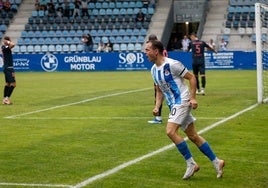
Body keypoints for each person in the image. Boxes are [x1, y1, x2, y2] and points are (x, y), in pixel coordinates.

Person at [145, 39, 225, 180]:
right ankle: (217, 161)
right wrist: (157, 106)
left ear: (155, 51)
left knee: (170, 131)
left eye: (147, 50)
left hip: (182, 101)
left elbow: (192, 77)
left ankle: (191, 163)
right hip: (173, 105)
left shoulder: (172, 64)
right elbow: (159, 91)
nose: (145, 53)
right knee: (193, 136)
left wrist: (193, 98)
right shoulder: (153, 70)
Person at [147, 34, 168, 124]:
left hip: (162, 73)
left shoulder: (157, 49)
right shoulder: (161, 48)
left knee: (159, 93)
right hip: (165, 72)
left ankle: (158, 118)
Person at [1, 36, 16, 105]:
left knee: (8, 84)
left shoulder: (5, 48)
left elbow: (11, 45)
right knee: (13, 84)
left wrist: (8, 42)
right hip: (9, 68)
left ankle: (4, 99)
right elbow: (13, 44)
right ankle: (6, 99)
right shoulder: (4, 48)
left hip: (7, 68)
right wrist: (8, 42)